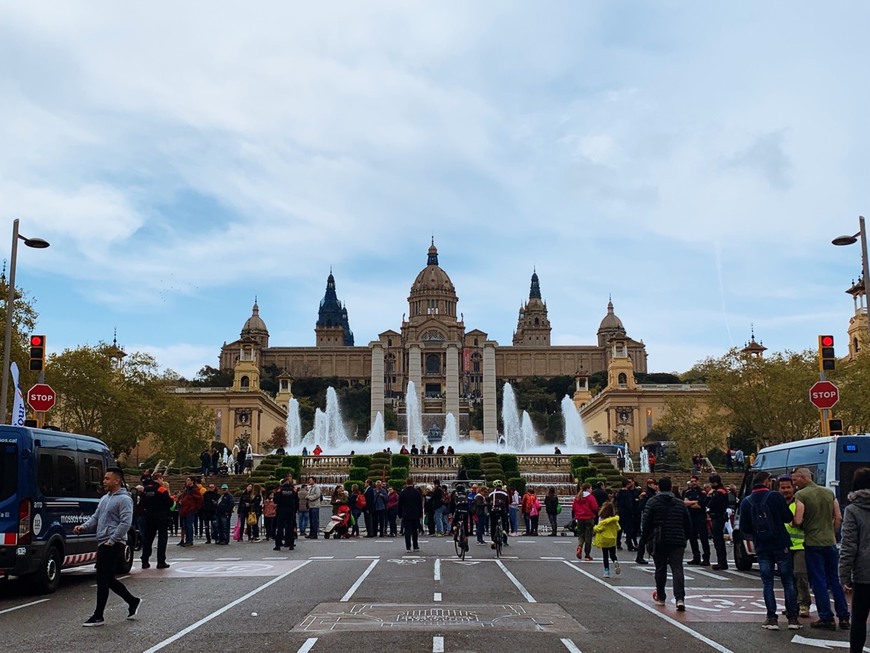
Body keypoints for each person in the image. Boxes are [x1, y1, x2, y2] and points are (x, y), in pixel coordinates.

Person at [73, 467, 141, 626]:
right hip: (103, 541)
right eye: (104, 478)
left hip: (113, 543)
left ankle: (98, 615)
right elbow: (96, 517)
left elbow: (126, 522)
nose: (104, 481)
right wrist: (83, 527)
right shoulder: (105, 498)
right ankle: (132, 601)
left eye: (107, 478)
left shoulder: (124, 499)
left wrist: (112, 540)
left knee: (102, 578)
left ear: (117, 480)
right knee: (108, 579)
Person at [739, 471, 800, 630]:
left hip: (762, 547)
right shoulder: (775, 497)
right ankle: (792, 618)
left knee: (767, 582)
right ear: (766, 482)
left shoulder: (746, 502)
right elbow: (788, 517)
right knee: (788, 581)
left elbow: (744, 528)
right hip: (780, 544)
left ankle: (771, 618)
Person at [793, 467, 851, 631]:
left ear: (804, 477)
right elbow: (838, 516)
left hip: (813, 543)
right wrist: (832, 533)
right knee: (834, 580)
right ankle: (844, 616)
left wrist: (795, 524)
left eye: (796, 479)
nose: (794, 483)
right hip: (830, 542)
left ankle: (826, 617)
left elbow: (798, 519)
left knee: (819, 581)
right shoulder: (828, 493)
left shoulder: (801, 495)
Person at [638, 476, 690, 611]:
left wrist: (645, 540)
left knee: (660, 568)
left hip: (659, 540)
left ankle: (661, 596)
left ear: (659, 487)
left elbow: (646, 522)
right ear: (671, 487)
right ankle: (680, 598)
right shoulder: (679, 503)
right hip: (677, 540)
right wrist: (685, 538)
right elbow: (688, 523)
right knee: (677, 569)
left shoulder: (652, 502)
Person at [839, 466, 870, 653]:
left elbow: (848, 545)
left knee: (859, 619)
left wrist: (844, 576)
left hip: (864, 573)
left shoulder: (852, 510)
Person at [778, 475, 812, 618]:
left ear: (793, 487)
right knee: (787, 578)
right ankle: (791, 606)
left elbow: (805, 521)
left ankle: (804, 604)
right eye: (783, 487)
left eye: (788, 487)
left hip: (799, 546)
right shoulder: (778, 503)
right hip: (784, 546)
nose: (786, 490)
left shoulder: (799, 502)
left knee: (800, 574)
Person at [139, 469, 172, 569]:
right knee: (162, 538)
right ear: (159, 479)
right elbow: (169, 503)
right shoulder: (161, 490)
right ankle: (161, 561)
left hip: (148, 515)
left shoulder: (145, 490)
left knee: (148, 538)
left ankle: (145, 560)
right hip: (161, 516)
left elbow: (142, 502)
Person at [683, 475, 711, 566]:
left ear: (698, 482)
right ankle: (696, 557)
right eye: (692, 481)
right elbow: (685, 503)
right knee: (692, 538)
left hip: (701, 517)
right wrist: (694, 502)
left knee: (704, 538)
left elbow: (700, 505)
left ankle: (706, 558)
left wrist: (692, 503)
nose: (693, 483)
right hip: (691, 517)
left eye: (695, 481)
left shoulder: (702, 493)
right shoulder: (688, 492)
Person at [707, 474, 730, 570]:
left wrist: (709, 495)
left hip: (717, 517)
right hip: (719, 517)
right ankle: (721, 561)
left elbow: (711, 504)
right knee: (718, 540)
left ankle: (722, 562)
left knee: (718, 540)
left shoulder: (719, 492)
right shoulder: (722, 491)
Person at [593, 500, 620, 578]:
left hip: (604, 539)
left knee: (605, 556)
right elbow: (618, 528)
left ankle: (606, 571)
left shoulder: (602, 520)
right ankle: (615, 561)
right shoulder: (614, 520)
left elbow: (598, 528)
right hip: (612, 539)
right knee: (612, 554)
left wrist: (594, 528)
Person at [572, 483, 599, 561]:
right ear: (587, 489)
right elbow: (595, 507)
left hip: (580, 518)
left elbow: (573, 508)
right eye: (590, 488)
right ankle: (587, 555)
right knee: (588, 536)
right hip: (589, 518)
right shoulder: (590, 497)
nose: (591, 490)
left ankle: (580, 546)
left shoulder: (577, 497)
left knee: (581, 534)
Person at [273, 475, 299, 551]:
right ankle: (290, 544)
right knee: (290, 527)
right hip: (290, 510)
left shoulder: (280, 490)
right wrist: (295, 510)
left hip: (281, 510)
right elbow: (297, 501)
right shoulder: (293, 490)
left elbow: (275, 500)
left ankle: (278, 545)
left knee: (280, 527)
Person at [398, 477, 423, 552]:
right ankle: (415, 546)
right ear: (413, 483)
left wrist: (399, 513)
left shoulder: (403, 492)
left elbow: (400, 504)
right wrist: (420, 513)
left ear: (406, 483)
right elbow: (420, 504)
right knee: (415, 530)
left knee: (407, 531)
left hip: (406, 514)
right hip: (415, 513)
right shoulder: (416, 492)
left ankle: (408, 547)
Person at [178, 476, 203, 547]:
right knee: (185, 525)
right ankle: (187, 540)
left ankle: (189, 540)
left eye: (188, 480)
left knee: (189, 525)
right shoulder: (188, 490)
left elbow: (200, 499)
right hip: (185, 509)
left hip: (190, 510)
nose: (187, 481)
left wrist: (194, 507)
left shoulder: (194, 490)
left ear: (192, 481)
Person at [616, 478, 639, 551]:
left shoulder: (619, 492)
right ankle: (629, 545)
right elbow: (629, 504)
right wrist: (632, 512)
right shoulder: (627, 493)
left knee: (620, 529)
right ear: (627, 484)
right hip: (627, 513)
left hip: (620, 512)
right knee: (629, 529)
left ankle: (618, 543)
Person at [488, 480, 510, 549]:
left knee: (493, 525)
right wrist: (507, 511)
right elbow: (507, 502)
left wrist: (489, 511)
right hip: (502, 509)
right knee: (504, 520)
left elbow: (488, 503)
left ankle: (492, 541)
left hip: (493, 510)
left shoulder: (491, 493)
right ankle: (504, 530)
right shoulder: (505, 493)